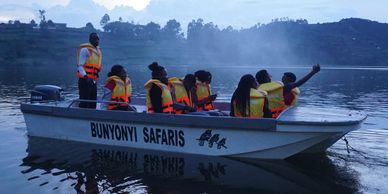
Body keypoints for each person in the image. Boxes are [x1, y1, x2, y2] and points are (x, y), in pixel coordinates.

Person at [255, 64, 320, 118]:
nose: (271, 76)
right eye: (269, 76)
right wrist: (313, 72)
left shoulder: (256, 89)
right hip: (278, 117)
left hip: (261, 117)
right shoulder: (282, 88)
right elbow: (300, 82)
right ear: (266, 78)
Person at [76, 32, 102, 109]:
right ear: (90, 39)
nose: (97, 40)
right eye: (95, 38)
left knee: (93, 103)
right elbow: (80, 66)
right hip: (85, 80)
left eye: (98, 39)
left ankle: (91, 119)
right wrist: (86, 77)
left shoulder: (97, 51)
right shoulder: (85, 50)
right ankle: (81, 119)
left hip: (93, 81)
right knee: (84, 103)